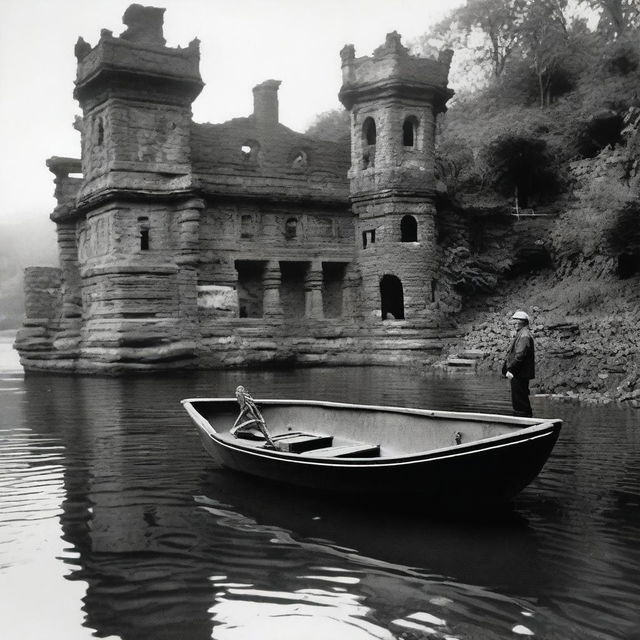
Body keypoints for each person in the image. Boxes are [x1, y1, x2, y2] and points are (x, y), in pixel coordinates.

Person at [502, 310, 535, 417]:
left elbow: (520, 355)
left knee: (520, 400)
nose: (514, 323)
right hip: (521, 372)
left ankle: (523, 419)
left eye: (517, 321)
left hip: (520, 373)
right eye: (514, 321)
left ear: (523, 322)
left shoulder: (524, 335)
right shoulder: (523, 333)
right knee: (520, 398)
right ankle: (524, 418)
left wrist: (511, 369)